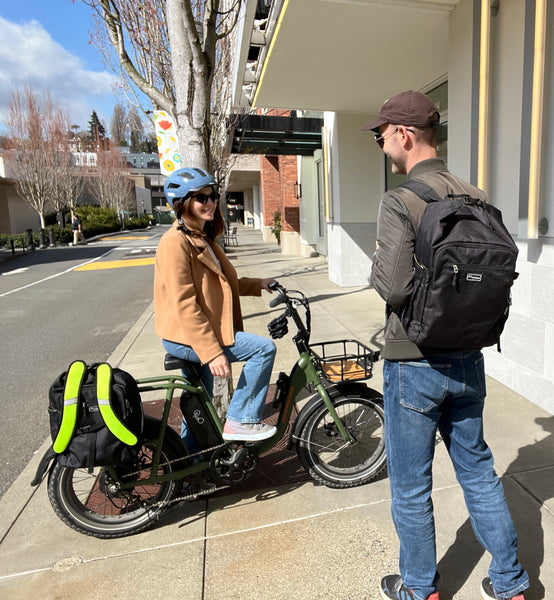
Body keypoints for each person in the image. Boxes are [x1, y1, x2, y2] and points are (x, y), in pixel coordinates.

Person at [364, 91, 529, 600]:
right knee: (478, 471)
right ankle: (510, 585)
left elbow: (391, 286)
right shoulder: (476, 196)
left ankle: (419, 589)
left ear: (405, 135)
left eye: (382, 133)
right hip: (469, 356)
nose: (381, 142)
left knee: (411, 488)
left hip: (414, 362)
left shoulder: (402, 199)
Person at [154, 167, 277, 450]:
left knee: (200, 404)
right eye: (201, 198)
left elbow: (223, 281)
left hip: (199, 333)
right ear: (182, 203)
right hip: (186, 337)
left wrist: (259, 283)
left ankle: (192, 461)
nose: (210, 202)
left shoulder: (201, 236)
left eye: (212, 196)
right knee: (263, 349)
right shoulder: (175, 242)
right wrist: (211, 352)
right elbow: (184, 304)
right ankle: (241, 421)